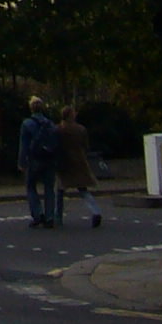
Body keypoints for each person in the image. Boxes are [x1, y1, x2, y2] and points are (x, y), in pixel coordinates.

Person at [17, 96, 61, 228]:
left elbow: (24, 145)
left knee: (31, 186)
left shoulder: (27, 124)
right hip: (49, 159)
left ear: (31, 108)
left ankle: (37, 214)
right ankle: (49, 217)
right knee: (49, 188)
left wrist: (21, 162)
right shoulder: (50, 124)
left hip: (34, 159)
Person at [57, 103, 102, 229]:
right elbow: (86, 146)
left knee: (60, 190)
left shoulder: (59, 129)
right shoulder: (81, 129)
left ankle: (58, 217)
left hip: (64, 162)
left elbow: (55, 145)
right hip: (79, 161)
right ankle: (96, 211)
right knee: (83, 189)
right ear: (71, 115)